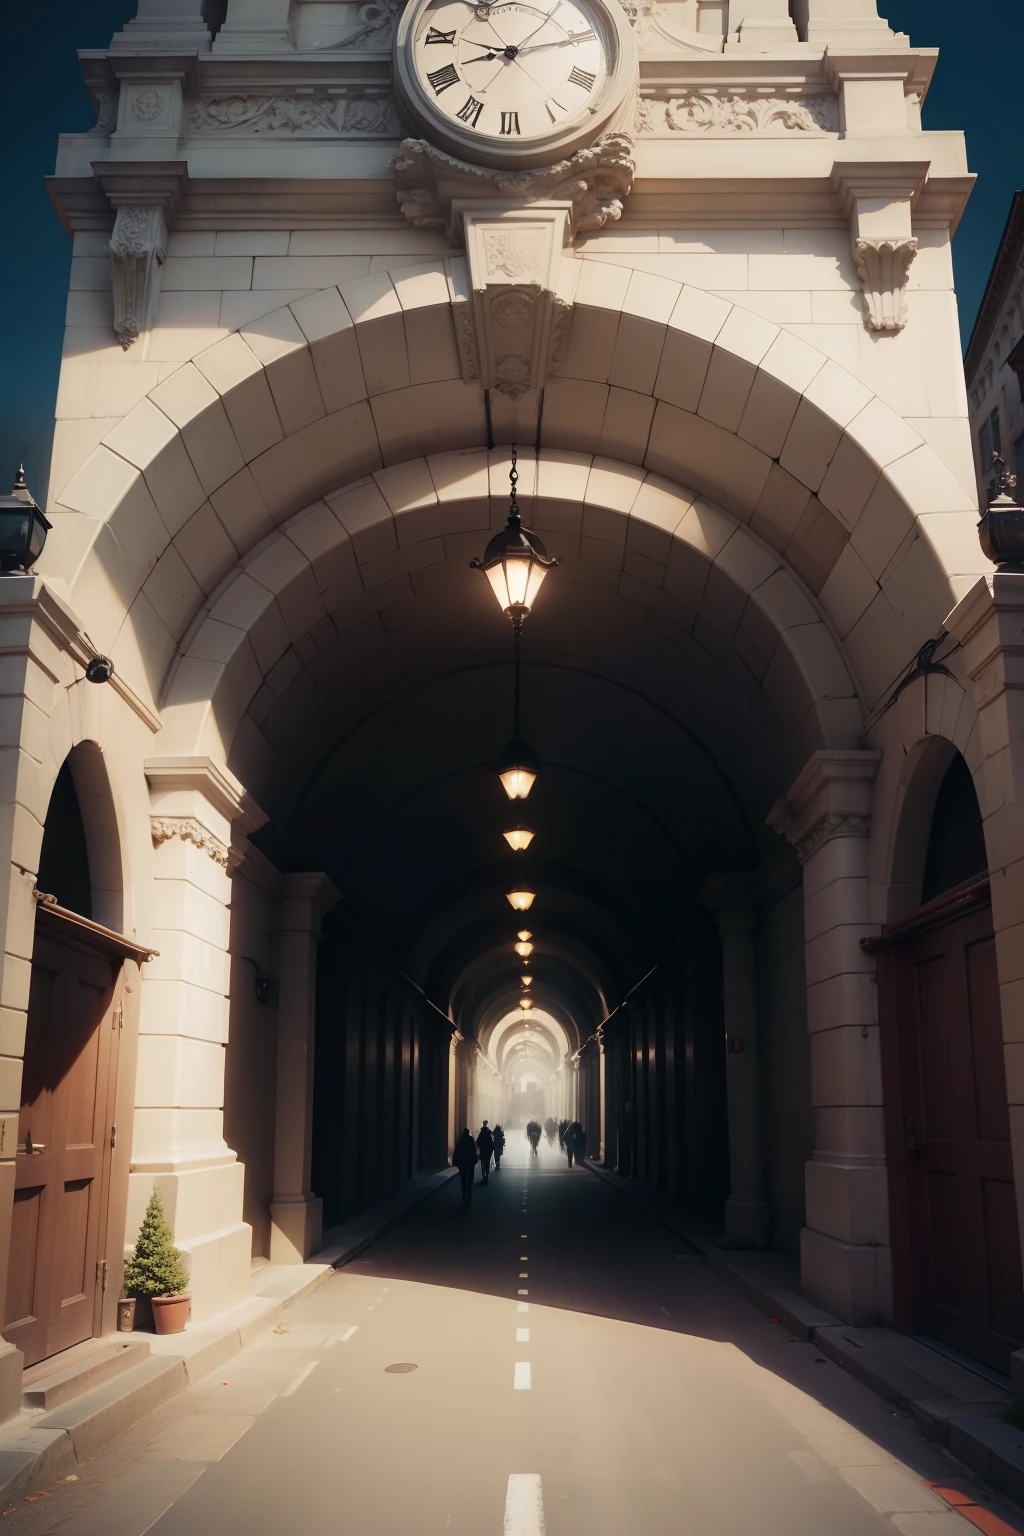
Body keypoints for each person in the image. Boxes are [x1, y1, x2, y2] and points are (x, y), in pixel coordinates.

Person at [452, 1128, 478, 1206]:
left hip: (462, 1164)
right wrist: (475, 1160)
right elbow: (474, 1151)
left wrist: (455, 1161)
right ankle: (469, 1197)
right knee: (470, 1181)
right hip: (470, 1164)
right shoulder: (471, 1140)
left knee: (463, 1181)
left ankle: (464, 1197)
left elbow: (456, 1152)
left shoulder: (460, 1141)